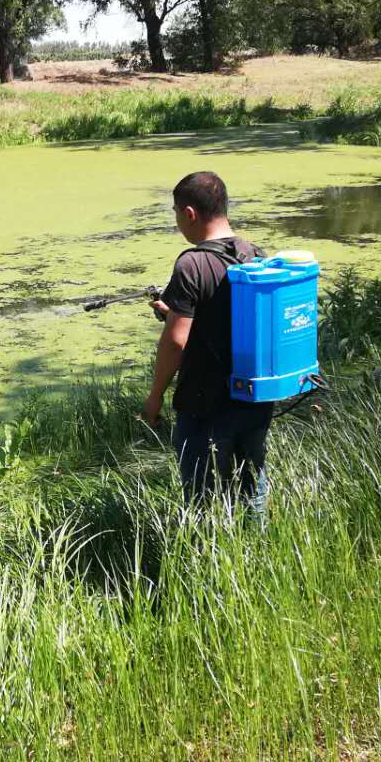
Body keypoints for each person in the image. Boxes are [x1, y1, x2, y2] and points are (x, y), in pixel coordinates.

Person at [142, 170, 273, 513]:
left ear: (189, 214)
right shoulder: (255, 255)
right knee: (252, 492)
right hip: (253, 401)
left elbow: (176, 343)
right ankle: (256, 557)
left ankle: (206, 561)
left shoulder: (191, 264)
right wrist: (172, 311)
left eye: (176, 214)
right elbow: (223, 313)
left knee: (201, 503)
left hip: (205, 406)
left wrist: (155, 397)